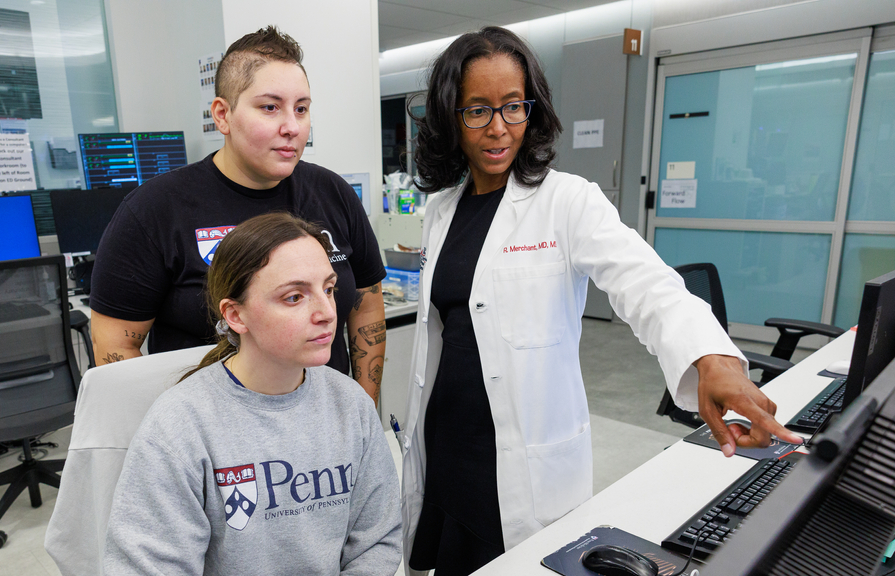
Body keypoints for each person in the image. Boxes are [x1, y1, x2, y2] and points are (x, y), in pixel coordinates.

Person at [400, 27, 804, 575]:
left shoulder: (567, 201)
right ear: (452, 116)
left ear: (532, 108)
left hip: (521, 462)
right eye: (477, 111)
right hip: (447, 444)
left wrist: (712, 359)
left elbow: (648, 284)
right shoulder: (441, 210)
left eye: (513, 107)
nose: (498, 128)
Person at [89, 26, 387, 402]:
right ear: (223, 115)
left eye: (301, 108)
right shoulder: (155, 210)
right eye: (270, 107)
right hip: (211, 441)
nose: (292, 127)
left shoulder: (333, 194)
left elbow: (367, 308)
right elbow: (114, 348)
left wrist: (363, 410)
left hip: (324, 427)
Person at [103, 212, 402, 575]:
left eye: (329, 289)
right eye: (294, 297)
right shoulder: (179, 427)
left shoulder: (350, 404)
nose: (327, 313)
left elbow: (378, 539)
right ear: (236, 315)